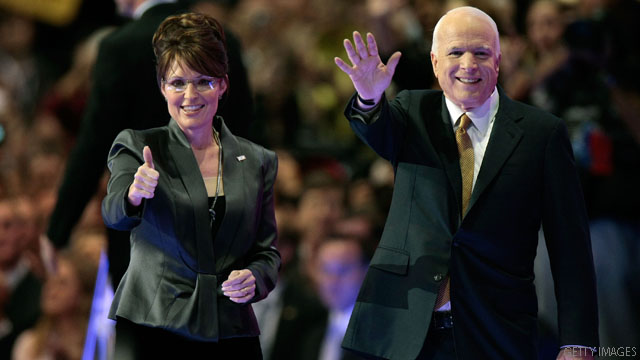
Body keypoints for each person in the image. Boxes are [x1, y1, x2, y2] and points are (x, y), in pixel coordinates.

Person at [334, 6, 598, 360]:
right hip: (398, 327)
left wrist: (577, 341)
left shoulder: (542, 134)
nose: (469, 64)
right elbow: (377, 131)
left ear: (499, 61)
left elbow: (571, 246)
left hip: (496, 329)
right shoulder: (413, 110)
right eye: (456, 52)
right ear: (435, 61)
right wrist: (369, 97)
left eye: (481, 53)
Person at [101, 12, 279, 359]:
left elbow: (267, 251)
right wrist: (133, 195)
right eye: (177, 82)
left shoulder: (258, 160)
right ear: (162, 86)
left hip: (230, 329)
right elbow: (113, 212)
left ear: (223, 85)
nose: (190, 95)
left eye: (204, 81)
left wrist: (254, 278)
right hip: (156, 327)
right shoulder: (138, 146)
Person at [46, 0, 254, 288]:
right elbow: (248, 136)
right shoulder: (223, 38)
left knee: (144, 329)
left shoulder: (119, 47)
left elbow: (94, 146)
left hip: (143, 238)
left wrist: (58, 229)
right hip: (220, 233)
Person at [11, 249, 97, 360]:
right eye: (49, 280)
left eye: (62, 283)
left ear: (82, 293)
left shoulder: (98, 343)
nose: (51, 290)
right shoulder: (28, 344)